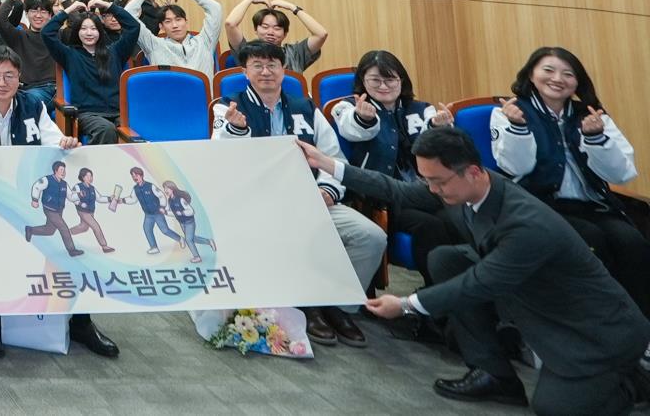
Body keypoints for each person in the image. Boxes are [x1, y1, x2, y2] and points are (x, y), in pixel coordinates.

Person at [324, 130, 650, 413]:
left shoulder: (526, 225)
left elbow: (479, 283)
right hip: (533, 294)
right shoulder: (469, 186)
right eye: (427, 181)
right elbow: (397, 190)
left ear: (473, 172)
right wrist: (326, 163)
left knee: (554, 407)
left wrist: (406, 304)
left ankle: (634, 379)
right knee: (447, 259)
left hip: (594, 330)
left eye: (438, 182)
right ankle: (495, 374)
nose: (432, 189)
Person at [0, 45, 110, 358]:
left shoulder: (33, 103)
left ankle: (81, 321)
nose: (2, 82)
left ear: (19, 78)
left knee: (72, 245)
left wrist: (65, 142)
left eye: (10, 76)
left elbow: (52, 140)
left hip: (26, 196)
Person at [212, 39, 385, 348]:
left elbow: (333, 158)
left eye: (272, 65)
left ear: (284, 70)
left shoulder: (306, 107)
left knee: (371, 237)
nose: (266, 72)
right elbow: (219, 159)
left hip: (313, 198)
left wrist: (328, 191)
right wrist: (236, 129)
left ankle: (337, 305)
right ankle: (307, 305)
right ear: (245, 72)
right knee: (293, 231)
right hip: (258, 203)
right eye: (257, 66)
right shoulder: (229, 106)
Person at [491, 46, 645, 320]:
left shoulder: (592, 114)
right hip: (542, 206)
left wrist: (596, 138)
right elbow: (515, 167)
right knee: (592, 241)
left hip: (592, 205)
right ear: (531, 75)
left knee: (632, 242)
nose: (557, 79)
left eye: (568, 74)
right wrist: (518, 127)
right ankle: (602, 321)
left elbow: (622, 174)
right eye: (548, 70)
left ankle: (639, 323)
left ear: (577, 82)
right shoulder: (510, 112)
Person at [331, 51, 458, 292]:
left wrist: (437, 127)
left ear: (402, 80)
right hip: (383, 197)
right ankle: (436, 292)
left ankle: (458, 289)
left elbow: (435, 148)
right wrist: (364, 117)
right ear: (362, 81)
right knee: (428, 225)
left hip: (425, 190)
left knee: (453, 218)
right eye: (375, 80)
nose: (384, 86)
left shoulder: (422, 108)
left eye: (390, 79)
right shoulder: (347, 107)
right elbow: (353, 130)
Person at [41, 0, 143, 143]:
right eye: (83, 29)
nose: (89, 33)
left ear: (100, 31)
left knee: (139, 126)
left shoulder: (115, 51)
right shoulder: (69, 54)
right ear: (77, 32)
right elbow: (46, 33)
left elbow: (133, 27)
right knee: (106, 129)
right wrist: (68, 10)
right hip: (88, 114)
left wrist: (108, 6)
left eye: (94, 29)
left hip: (118, 112)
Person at [132, 0, 225, 77]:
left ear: (186, 22)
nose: (174, 25)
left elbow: (215, 8)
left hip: (203, 88)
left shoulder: (204, 42)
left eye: (178, 19)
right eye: (168, 21)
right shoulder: (153, 45)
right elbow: (129, 16)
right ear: (161, 26)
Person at [223, 0, 328, 73]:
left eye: (277, 28)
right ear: (256, 29)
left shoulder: (295, 53)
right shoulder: (247, 50)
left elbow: (321, 34)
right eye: (265, 27)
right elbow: (230, 24)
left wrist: (293, 8)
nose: (270, 32)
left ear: (285, 33)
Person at [0, 0, 61, 105]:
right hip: (24, 89)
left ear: (50, 15)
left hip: (51, 89)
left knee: (26, 101)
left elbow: (77, 22)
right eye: (33, 11)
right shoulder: (18, 36)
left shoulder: (58, 36)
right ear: (26, 14)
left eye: (43, 11)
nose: (38, 15)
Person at [27, 162, 85, 257]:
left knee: (49, 230)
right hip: (49, 209)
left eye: (64, 170)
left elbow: (70, 196)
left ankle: (30, 230)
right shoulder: (47, 180)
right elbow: (36, 187)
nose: (63, 172)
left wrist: (79, 195)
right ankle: (72, 250)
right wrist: (35, 199)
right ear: (55, 170)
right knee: (63, 228)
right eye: (61, 170)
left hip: (59, 210)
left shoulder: (64, 184)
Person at [129, 167, 184, 254]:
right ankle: (154, 247)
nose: (134, 177)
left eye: (136, 175)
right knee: (147, 229)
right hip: (148, 214)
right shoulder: (135, 188)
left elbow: (161, 196)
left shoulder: (150, 186)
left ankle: (180, 239)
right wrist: (121, 200)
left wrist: (162, 207)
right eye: (133, 176)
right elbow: (132, 199)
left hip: (157, 213)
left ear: (141, 175)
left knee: (165, 230)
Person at [161, 180, 215, 262]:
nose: (165, 190)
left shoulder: (180, 199)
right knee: (193, 238)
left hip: (189, 222)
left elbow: (191, 211)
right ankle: (209, 241)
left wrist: (182, 212)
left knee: (188, 240)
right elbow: (174, 213)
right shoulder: (170, 201)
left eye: (167, 188)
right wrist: (165, 212)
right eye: (164, 188)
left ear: (172, 188)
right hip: (182, 223)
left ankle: (197, 257)